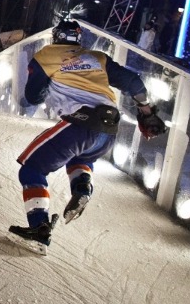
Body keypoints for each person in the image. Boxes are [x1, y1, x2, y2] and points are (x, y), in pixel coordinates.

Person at [10, 19, 167, 247]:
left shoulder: (46, 56)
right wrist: (146, 110)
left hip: (80, 123)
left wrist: (49, 87)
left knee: (31, 169)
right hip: (108, 130)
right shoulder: (96, 57)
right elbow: (133, 82)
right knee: (80, 157)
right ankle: (82, 186)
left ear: (56, 37)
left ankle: (39, 227)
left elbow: (33, 96)